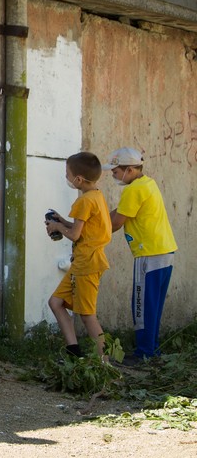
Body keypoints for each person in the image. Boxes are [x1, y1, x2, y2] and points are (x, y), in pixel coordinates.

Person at [105, 147, 178, 364]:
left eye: (116, 171)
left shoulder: (133, 190)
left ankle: (143, 354)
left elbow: (116, 222)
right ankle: (151, 350)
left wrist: (87, 230)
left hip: (148, 254)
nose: (113, 175)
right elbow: (119, 212)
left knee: (141, 304)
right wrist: (97, 218)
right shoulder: (148, 183)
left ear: (129, 169)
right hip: (165, 250)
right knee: (153, 305)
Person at [44, 152, 112, 359]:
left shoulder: (83, 202)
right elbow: (81, 228)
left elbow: (75, 235)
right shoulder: (96, 196)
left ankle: (105, 362)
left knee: (87, 314)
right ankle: (74, 352)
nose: (67, 178)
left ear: (79, 179)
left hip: (87, 264)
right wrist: (62, 221)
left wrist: (56, 226)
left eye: (68, 174)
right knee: (56, 302)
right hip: (83, 262)